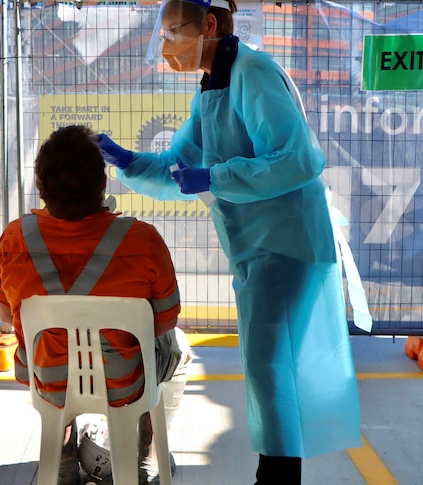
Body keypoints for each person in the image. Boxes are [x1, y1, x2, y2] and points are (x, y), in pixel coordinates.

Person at [94, 0, 362, 483]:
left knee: (272, 371)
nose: (166, 45)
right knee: (269, 372)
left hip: (287, 245)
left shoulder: (253, 72)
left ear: (210, 25)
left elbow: (298, 159)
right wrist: (127, 160)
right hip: (258, 250)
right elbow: (177, 168)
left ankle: (276, 477)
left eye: (173, 31)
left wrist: (216, 175)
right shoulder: (212, 90)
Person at [0, 124, 192, 485]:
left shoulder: (14, 239)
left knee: (54, 350)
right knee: (181, 349)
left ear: (41, 186)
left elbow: (7, 314)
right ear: (102, 184)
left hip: (48, 380)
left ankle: (63, 459)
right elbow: (164, 322)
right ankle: (144, 457)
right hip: (125, 382)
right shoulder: (143, 240)